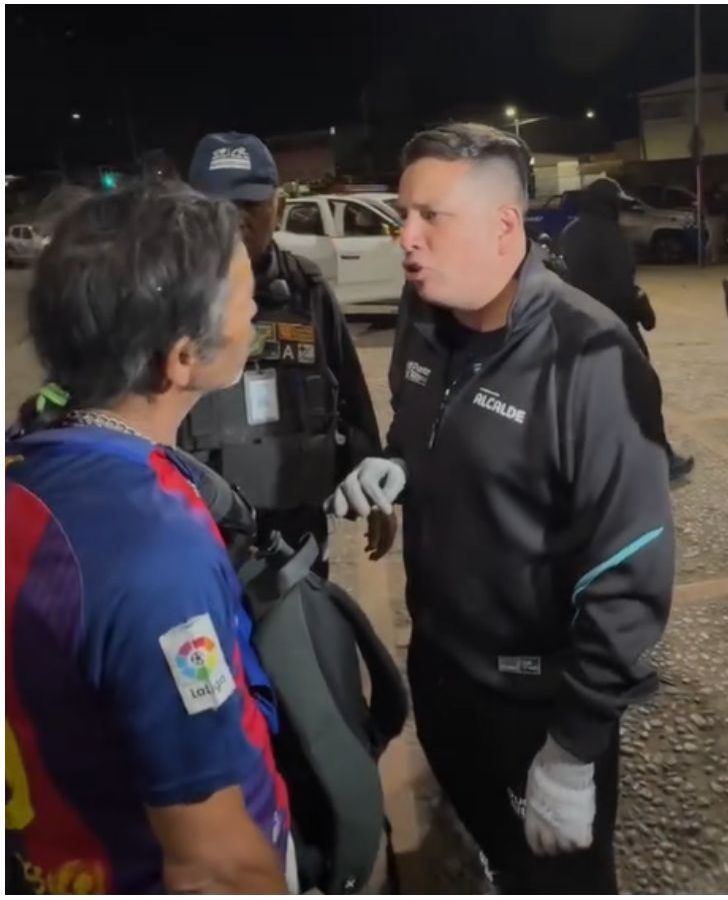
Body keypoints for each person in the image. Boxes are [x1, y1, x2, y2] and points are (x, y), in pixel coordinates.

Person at [326, 123, 675, 893]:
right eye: (403, 214)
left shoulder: (591, 354)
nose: (405, 238)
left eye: (431, 216)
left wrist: (573, 750)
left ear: (504, 225)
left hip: (533, 701)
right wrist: (394, 466)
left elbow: (631, 569)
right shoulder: (425, 314)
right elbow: (418, 425)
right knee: (498, 850)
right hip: (440, 668)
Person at [5, 183, 292, 893]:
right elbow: (213, 862)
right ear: (182, 358)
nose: (256, 310)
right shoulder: (151, 549)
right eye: (244, 298)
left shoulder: (32, 458)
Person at [177, 132, 383, 575]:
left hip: (297, 534)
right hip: (200, 538)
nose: (235, 220)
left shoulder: (306, 288)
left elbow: (351, 394)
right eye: (218, 207)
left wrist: (372, 485)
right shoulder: (163, 296)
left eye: (250, 205)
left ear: (278, 204)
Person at [559, 176, 695, 483]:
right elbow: (621, 288)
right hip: (615, 326)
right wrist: (642, 309)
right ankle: (659, 459)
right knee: (643, 390)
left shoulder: (570, 233)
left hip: (578, 326)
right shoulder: (610, 236)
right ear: (609, 205)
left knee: (595, 398)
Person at [705, 183, 728, 264]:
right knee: (714, 238)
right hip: (714, 218)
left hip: (713, 218)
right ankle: (712, 257)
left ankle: (712, 257)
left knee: (716, 238)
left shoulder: (709, 198)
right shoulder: (713, 198)